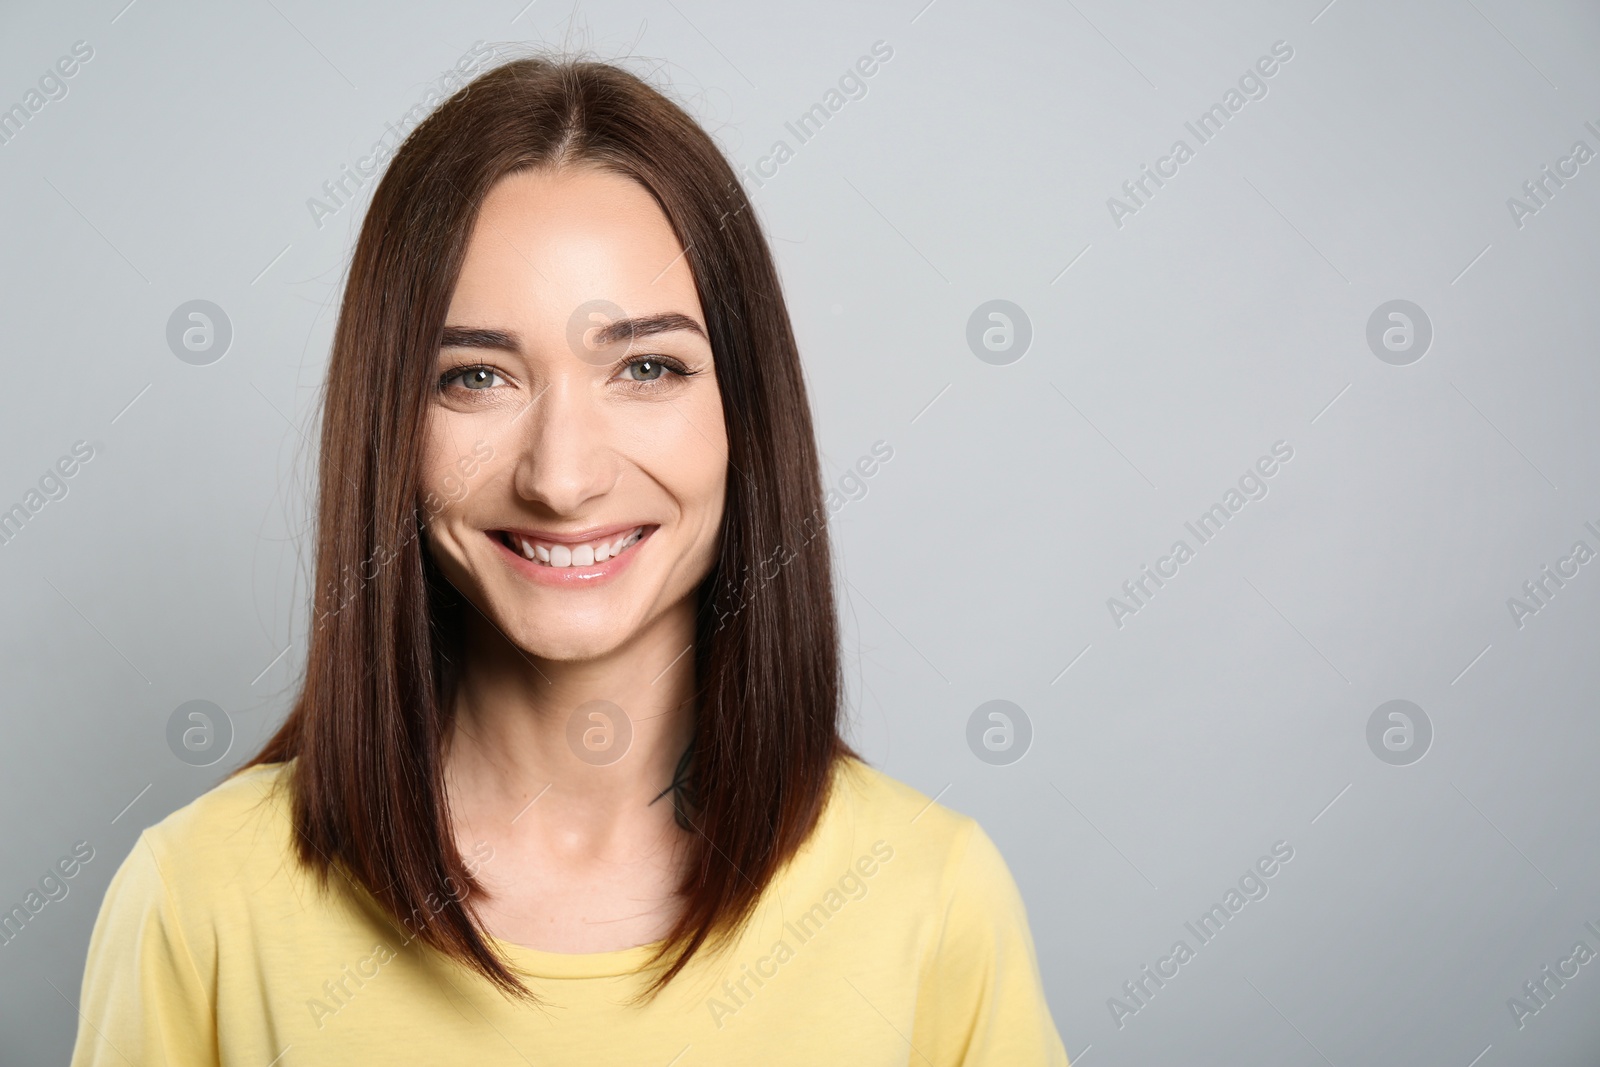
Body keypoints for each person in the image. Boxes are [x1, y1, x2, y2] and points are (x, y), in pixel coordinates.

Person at [70, 52, 1070, 1066]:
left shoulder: (930, 899)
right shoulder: (195, 901)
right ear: (389, 424)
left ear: (745, 416)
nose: (561, 475)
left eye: (646, 366)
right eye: (475, 376)